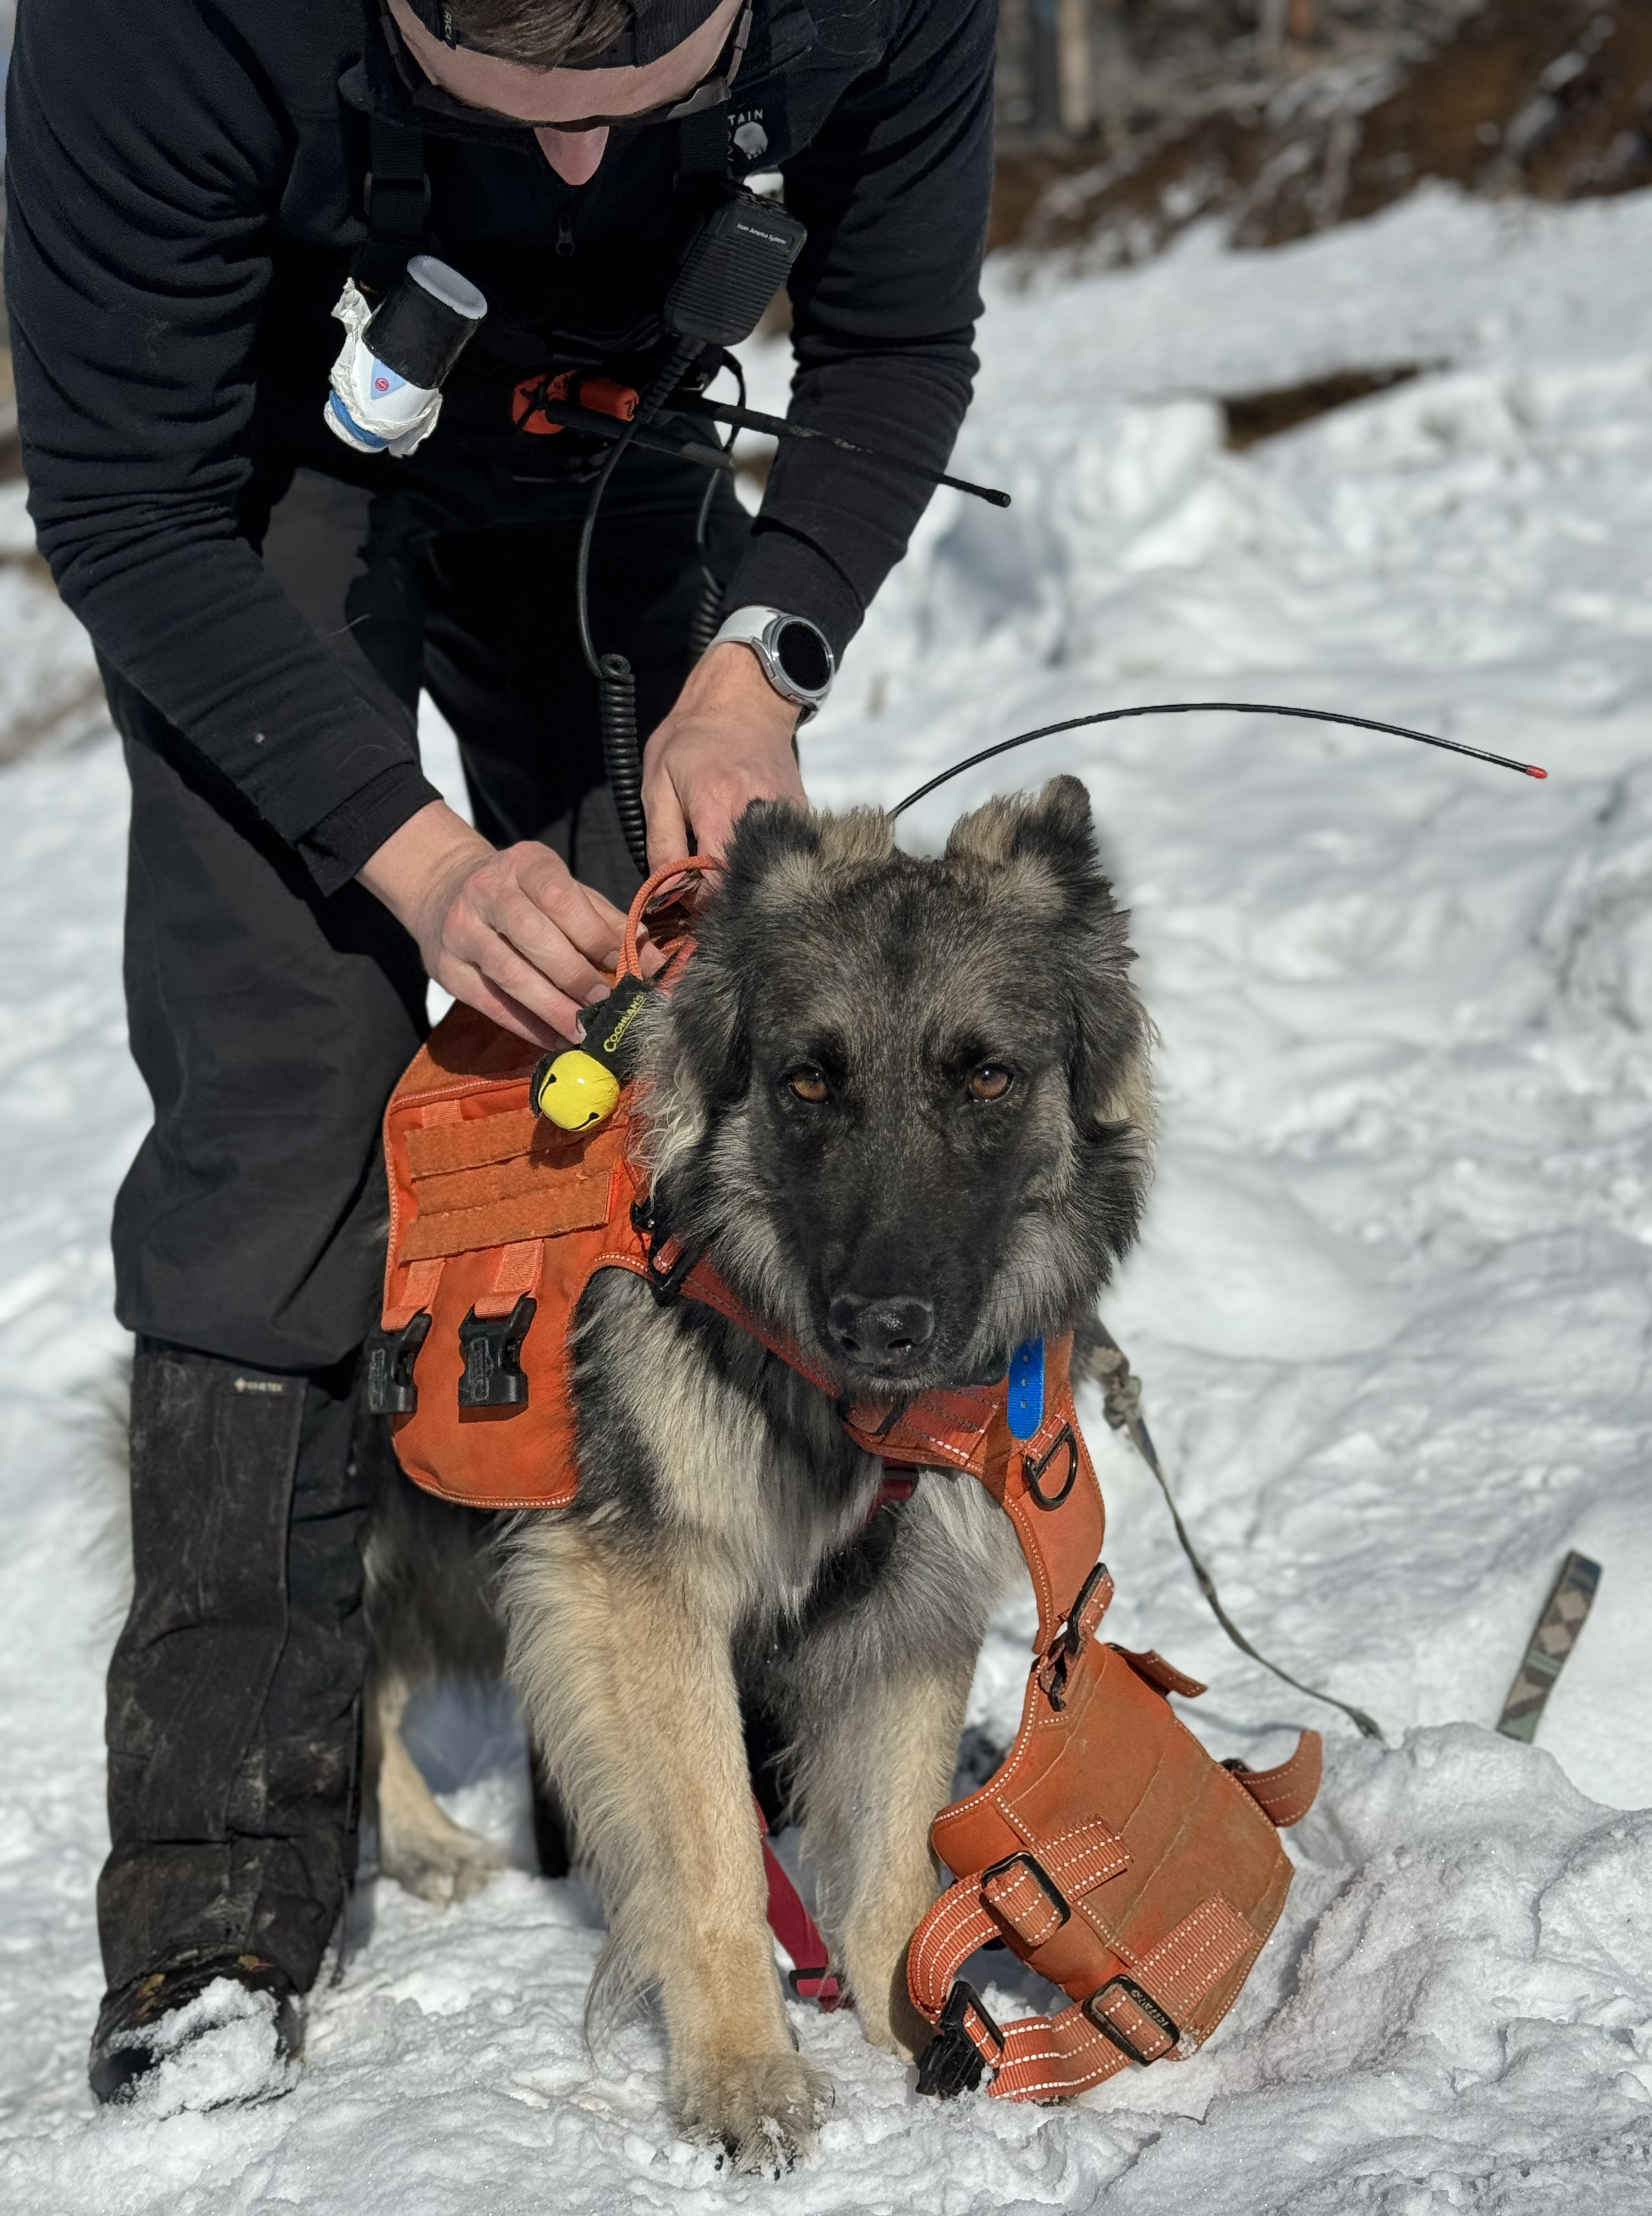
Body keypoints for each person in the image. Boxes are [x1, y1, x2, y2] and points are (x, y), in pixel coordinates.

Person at [3, 0, 995, 2106]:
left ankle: (696, 1705)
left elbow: (897, 350)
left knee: (677, 1036)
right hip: (261, 469)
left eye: (624, 132)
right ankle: (222, 1886)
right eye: (510, 123)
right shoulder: (155, 34)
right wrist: (417, 860)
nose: (567, 174)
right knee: (284, 1095)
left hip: (611, 432)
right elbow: (118, 500)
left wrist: (761, 656)